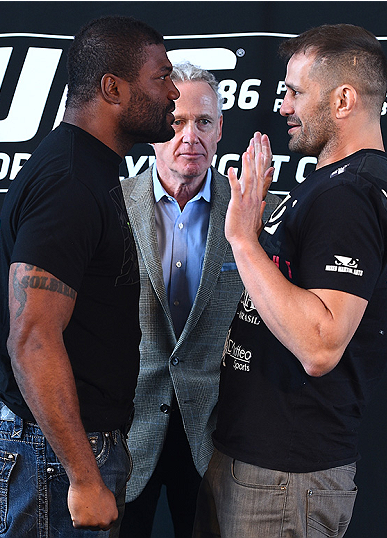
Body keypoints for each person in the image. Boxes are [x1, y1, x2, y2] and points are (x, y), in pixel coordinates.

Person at [193, 24, 387, 538]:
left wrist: (244, 241)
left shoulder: (349, 195)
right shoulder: (340, 184)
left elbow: (319, 345)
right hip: (270, 467)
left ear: (343, 99)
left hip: (284, 477)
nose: (284, 106)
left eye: (295, 92)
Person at [0, 16, 180, 537]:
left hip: (65, 449)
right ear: (112, 87)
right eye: (161, 77)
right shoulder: (70, 181)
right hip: (52, 459)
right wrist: (83, 475)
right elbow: (33, 337)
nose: (174, 92)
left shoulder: (96, 170)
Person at [119, 62, 279, 538]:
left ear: (220, 129)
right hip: (126, 434)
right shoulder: (110, 205)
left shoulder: (253, 214)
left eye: (203, 122)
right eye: (175, 121)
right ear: (153, 128)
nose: (190, 136)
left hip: (215, 438)